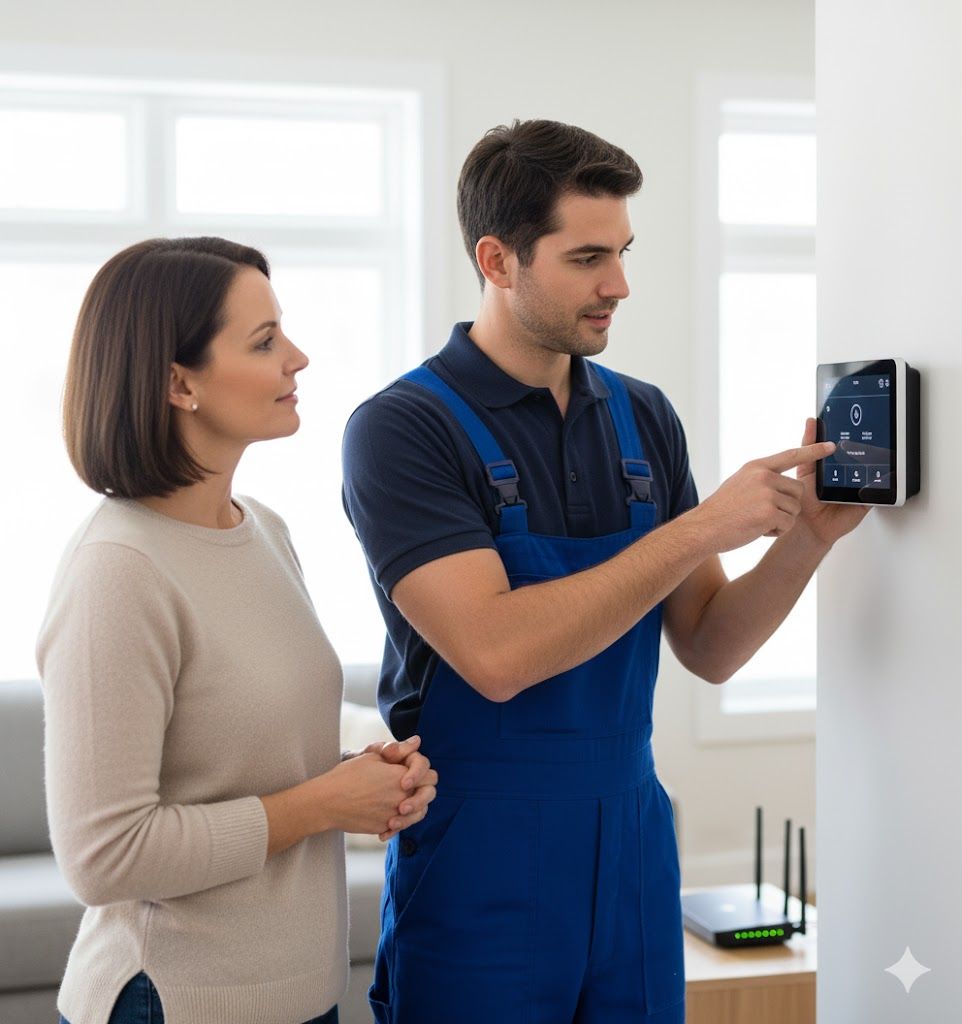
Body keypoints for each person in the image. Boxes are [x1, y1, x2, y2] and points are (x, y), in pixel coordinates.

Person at [341, 120, 866, 1024]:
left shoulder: (644, 418)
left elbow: (708, 646)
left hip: (630, 837)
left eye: (622, 252)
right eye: (587, 257)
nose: (618, 285)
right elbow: (496, 655)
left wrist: (805, 540)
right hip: (480, 854)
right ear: (499, 261)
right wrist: (694, 531)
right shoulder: (401, 429)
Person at [37, 237, 438, 1024]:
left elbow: (239, 763)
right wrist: (323, 804)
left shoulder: (264, 531)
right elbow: (103, 856)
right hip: (174, 1002)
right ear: (178, 381)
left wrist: (361, 781)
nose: (299, 358)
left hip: (298, 995)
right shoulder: (118, 569)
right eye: (264, 341)